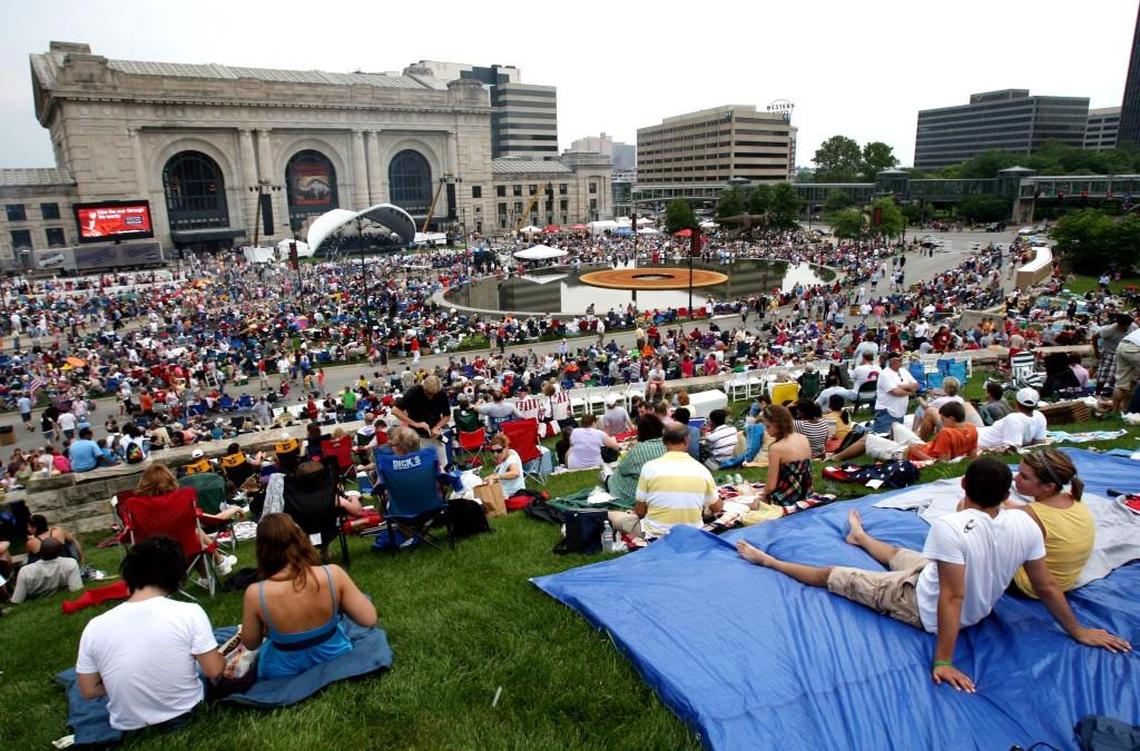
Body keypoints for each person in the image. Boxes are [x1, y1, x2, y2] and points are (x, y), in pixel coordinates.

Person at [736, 457, 1130, 693]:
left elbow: (952, 598)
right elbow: (1045, 585)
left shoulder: (951, 527)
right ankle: (861, 536)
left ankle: (769, 562)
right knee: (898, 554)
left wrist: (943, 661)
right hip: (944, 583)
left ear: (963, 485)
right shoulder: (1025, 523)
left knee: (832, 575)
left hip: (921, 604)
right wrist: (1076, 630)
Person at [76, 535, 224, 731]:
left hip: (126, 723)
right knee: (202, 660)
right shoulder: (189, 612)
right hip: (184, 712)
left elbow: (88, 690)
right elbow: (213, 670)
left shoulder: (94, 626)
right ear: (177, 575)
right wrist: (223, 658)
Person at [240, 513, 377, 679]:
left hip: (283, 667)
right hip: (334, 652)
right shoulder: (332, 574)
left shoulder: (256, 593)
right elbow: (369, 619)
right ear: (300, 538)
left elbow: (251, 643)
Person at [607, 422, 722, 540]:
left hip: (654, 534)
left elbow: (640, 511)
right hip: (691, 535)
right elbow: (717, 508)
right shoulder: (702, 470)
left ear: (664, 441)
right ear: (687, 440)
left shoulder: (649, 468)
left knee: (614, 515)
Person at [1008, 450, 1094, 598]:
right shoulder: (1071, 498)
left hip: (1033, 586)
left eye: (1024, 476)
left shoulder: (1029, 515)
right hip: (1066, 579)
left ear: (1048, 486)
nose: (1016, 478)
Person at [134, 464, 238, 576]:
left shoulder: (134, 504)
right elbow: (210, 519)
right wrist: (235, 508)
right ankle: (220, 563)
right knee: (195, 532)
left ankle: (210, 572)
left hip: (152, 552)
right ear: (169, 480)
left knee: (193, 532)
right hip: (186, 549)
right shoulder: (185, 495)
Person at [828, 401, 978, 463]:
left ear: (951, 418)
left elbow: (941, 463)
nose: (942, 423)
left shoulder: (947, 433)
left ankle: (835, 458)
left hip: (911, 453)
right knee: (895, 426)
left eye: (944, 419)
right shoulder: (971, 429)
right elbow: (973, 457)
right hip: (921, 446)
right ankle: (888, 451)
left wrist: (915, 451)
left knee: (868, 438)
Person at [747, 404, 813, 506]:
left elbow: (771, 487)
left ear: (777, 424)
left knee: (750, 505)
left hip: (788, 497)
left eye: (767, 426)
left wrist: (762, 497)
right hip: (807, 493)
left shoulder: (776, 448)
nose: (766, 430)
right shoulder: (803, 438)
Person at [392, 374, 451, 468]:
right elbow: (395, 411)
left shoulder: (441, 393)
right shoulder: (414, 392)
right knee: (422, 467)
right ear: (424, 388)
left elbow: (446, 415)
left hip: (435, 436)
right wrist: (415, 424)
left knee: (443, 466)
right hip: (418, 437)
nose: (431, 397)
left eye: (434, 394)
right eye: (428, 393)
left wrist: (438, 426)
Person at [607, 414, 666, 506]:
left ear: (641, 431)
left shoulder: (639, 450)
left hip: (638, 494)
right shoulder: (667, 444)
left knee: (615, 474)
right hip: (661, 489)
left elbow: (623, 468)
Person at [8, 537, 83, 604]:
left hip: (34, 601)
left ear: (40, 551)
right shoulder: (70, 563)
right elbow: (76, 588)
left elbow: (17, 600)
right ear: (60, 551)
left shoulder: (26, 571)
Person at [975, 387, 1047, 451]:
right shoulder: (1039, 416)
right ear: (1036, 405)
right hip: (980, 431)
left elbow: (1011, 448)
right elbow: (1039, 443)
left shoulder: (1013, 419)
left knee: (967, 405)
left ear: (1016, 403)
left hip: (975, 437)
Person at [873, 353, 919, 435]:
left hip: (900, 412)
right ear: (891, 361)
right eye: (898, 360)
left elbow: (916, 385)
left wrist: (899, 386)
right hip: (886, 412)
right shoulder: (885, 374)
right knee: (882, 438)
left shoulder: (904, 371)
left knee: (896, 440)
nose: (901, 362)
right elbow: (897, 392)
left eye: (901, 360)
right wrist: (910, 392)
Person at [484, 433, 525, 498]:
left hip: (511, 495)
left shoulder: (511, 459)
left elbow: (516, 473)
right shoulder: (510, 452)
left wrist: (497, 476)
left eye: (499, 451)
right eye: (493, 451)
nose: (495, 454)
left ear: (506, 447)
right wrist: (491, 477)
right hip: (507, 491)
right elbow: (502, 474)